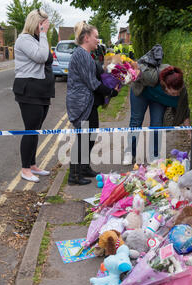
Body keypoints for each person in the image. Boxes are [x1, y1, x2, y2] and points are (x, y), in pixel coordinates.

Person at [66, 21, 120, 185]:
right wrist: (111, 91)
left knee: (90, 135)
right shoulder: (81, 55)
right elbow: (92, 83)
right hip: (81, 104)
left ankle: (84, 168)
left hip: (88, 103)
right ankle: (73, 176)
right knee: (83, 137)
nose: (98, 40)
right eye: (96, 37)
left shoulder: (85, 54)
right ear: (87, 38)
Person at [13, 9, 54, 183]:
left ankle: (33, 165)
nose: (46, 27)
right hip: (28, 89)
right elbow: (41, 56)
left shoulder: (37, 39)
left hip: (41, 89)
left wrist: (43, 36)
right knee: (30, 129)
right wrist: (43, 34)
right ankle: (24, 168)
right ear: (36, 23)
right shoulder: (24, 39)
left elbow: (49, 58)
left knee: (36, 129)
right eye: (43, 24)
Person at [124, 60, 190, 165]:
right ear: (165, 86)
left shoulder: (181, 91)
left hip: (158, 99)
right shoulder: (152, 76)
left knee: (157, 124)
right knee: (136, 121)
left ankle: (154, 155)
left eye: (178, 92)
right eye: (173, 93)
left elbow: (185, 111)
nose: (176, 95)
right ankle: (130, 152)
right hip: (142, 92)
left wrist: (190, 132)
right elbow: (135, 67)